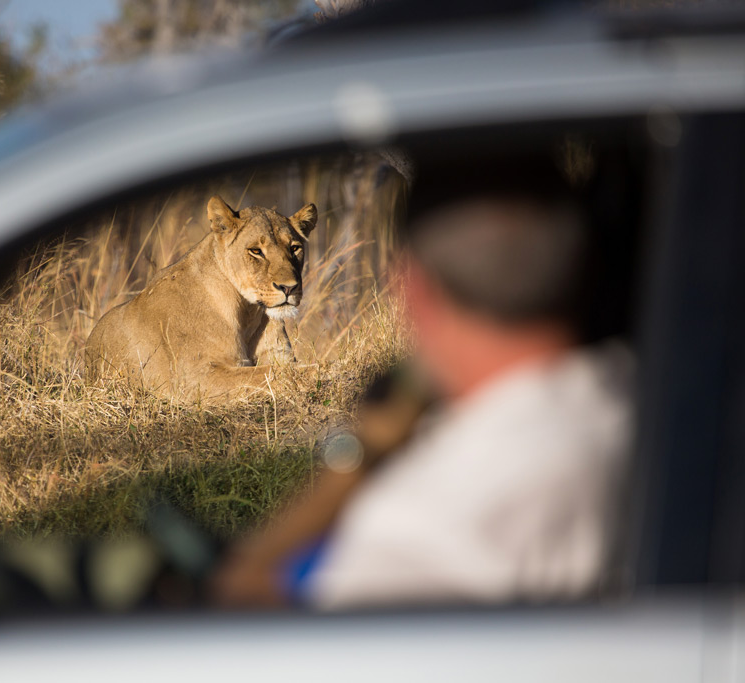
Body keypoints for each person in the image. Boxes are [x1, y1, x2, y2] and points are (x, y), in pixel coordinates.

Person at [213, 154, 633, 609]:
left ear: (411, 291)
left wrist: (355, 461)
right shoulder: (637, 398)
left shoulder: (419, 531)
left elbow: (244, 596)